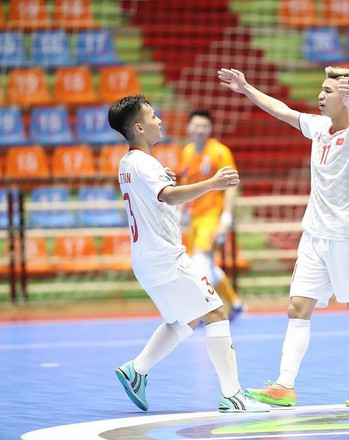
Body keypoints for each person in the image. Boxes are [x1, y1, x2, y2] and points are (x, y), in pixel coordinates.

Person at [217, 66, 349, 407]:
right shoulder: (319, 126)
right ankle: (284, 386)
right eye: (321, 90)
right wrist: (246, 88)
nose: (320, 96)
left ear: (346, 98)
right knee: (297, 306)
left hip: (346, 236)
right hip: (315, 235)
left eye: (328, 91)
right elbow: (283, 111)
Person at [108, 95, 270, 413]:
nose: (160, 121)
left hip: (146, 258)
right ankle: (233, 394)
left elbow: (154, 193)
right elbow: (168, 197)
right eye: (154, 116)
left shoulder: (129, 163)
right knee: (217, 313)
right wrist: (212, 183)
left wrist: (163, 178)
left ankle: (136, 370)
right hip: (167, 257)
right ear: (139, 126)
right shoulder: (144, 163)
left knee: (186, 320)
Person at [179, 109, 245, 321]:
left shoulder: (219, 152)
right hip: (195, 218)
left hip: (212, 216)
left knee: (199, 261)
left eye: (204, 126)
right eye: (196, 125)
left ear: (210, 129)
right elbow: (186, 184)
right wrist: (181, 213)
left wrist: (226, 217)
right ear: (189, 127)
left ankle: (205, 311)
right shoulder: (187, 152)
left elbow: (232, 185)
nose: (200, 130)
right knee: (205, 262)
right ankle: (235, 303)